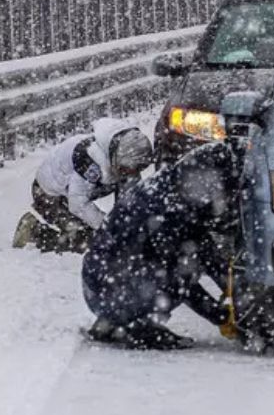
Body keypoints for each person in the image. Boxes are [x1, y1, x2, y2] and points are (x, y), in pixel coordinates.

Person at [81, 141, 240, 349]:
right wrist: (221, 316)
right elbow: (182, 279)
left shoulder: (173, 187)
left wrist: (232, 286)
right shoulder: (165, 211)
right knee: (181, 272)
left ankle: (115, 321)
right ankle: (139, 328)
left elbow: (203, 246)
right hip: (107, 289)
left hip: (104, 284)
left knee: (185, 257)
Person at [12, 119, 153, 253]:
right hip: (49, 194)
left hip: (76, 191)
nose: (132, 173)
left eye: (139, 168)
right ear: (118, 159)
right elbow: (78, 205)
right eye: (128, 168)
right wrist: (110, 228)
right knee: (88, 240)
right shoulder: (87, 160)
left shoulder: (121, 156)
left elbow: (130, 200)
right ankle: (34, 231)